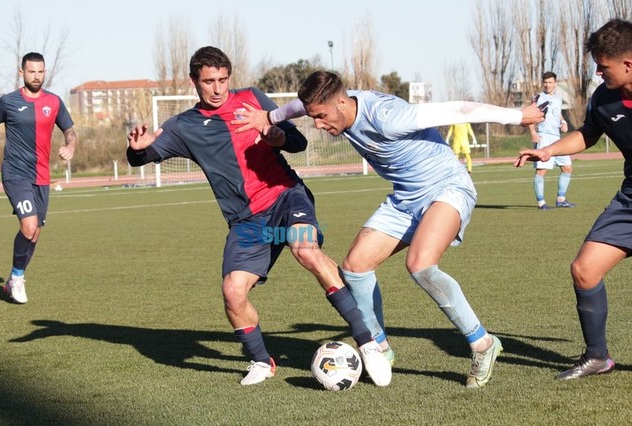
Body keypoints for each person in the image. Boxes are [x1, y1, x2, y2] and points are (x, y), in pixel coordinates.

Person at [232, 71, 544, 388]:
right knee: (354, 268)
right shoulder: (335, 104)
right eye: (314, 117)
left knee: (421, 265)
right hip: (405, 198)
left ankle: (483, 345)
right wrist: (269, 115)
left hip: (445, 188)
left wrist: (518, 116)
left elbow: (456, 109)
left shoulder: (389, 117)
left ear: (341, 102)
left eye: (322, 117)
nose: (319, 125)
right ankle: (380, 349)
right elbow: (299, 107)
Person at [126, 46, 391, 387]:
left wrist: (277, 136)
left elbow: (297, 142)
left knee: (305, 249)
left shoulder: (251, 98)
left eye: (223, 79)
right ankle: (261, 361)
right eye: (209, 81)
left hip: (285, 197)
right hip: (246, 222)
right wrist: (136, 149)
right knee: (233, 291)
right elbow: (142, 157)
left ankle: (368, 343)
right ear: (194, 81)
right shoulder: (183, 126)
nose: (218, 88)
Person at [515, 19, 632, 380]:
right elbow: (587, 135)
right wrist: (547, 151)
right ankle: (597, 357)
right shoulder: (604, 97)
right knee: (584, 270)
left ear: (627, 63)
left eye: (603, 65)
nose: (598, 72)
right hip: (631, 201)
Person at [0, 52, 77, 304]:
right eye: (32, 71)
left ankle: (12, 279)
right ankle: (18, 279)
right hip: (14, 174)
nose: (37, 76)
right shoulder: (8, 102)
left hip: (42, 176)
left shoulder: (54, 102)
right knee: (28, 226)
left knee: (35, 233)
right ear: (22, 73)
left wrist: (71, 145)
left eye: (40, 71)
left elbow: (70, 130)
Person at [528, 72, 575, 210]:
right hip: (544, 137)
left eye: (550, 82)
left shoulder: (558, 98)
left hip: (557, 138)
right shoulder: (538, 98)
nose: (547, 85)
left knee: (567, 168)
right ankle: (541, 203)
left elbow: (558, 113)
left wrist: (563, 122)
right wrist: (533, 132)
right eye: (545, 82)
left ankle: (561, 199)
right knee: (541, 171)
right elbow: (530, 115)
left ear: (555, 83)